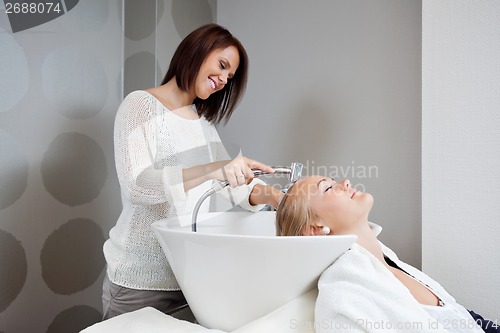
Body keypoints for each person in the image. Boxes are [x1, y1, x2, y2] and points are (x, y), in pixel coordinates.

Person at [102, 24, 282, 321]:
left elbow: (231, 186)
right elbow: (138, 186)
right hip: (139, 282)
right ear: (196, 51)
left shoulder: (203, 125)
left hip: (189, 280)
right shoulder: (139, 106)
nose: (224, 80)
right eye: (222, 66)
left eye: (230, 76)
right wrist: (214, 169)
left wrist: (279, 199)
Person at [276, 176, 499, 333]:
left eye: (334, 181)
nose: (345, 183)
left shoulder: (387, 258)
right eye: (327, 188)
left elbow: (459, 316)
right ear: (314, 228)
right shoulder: (343, 288)